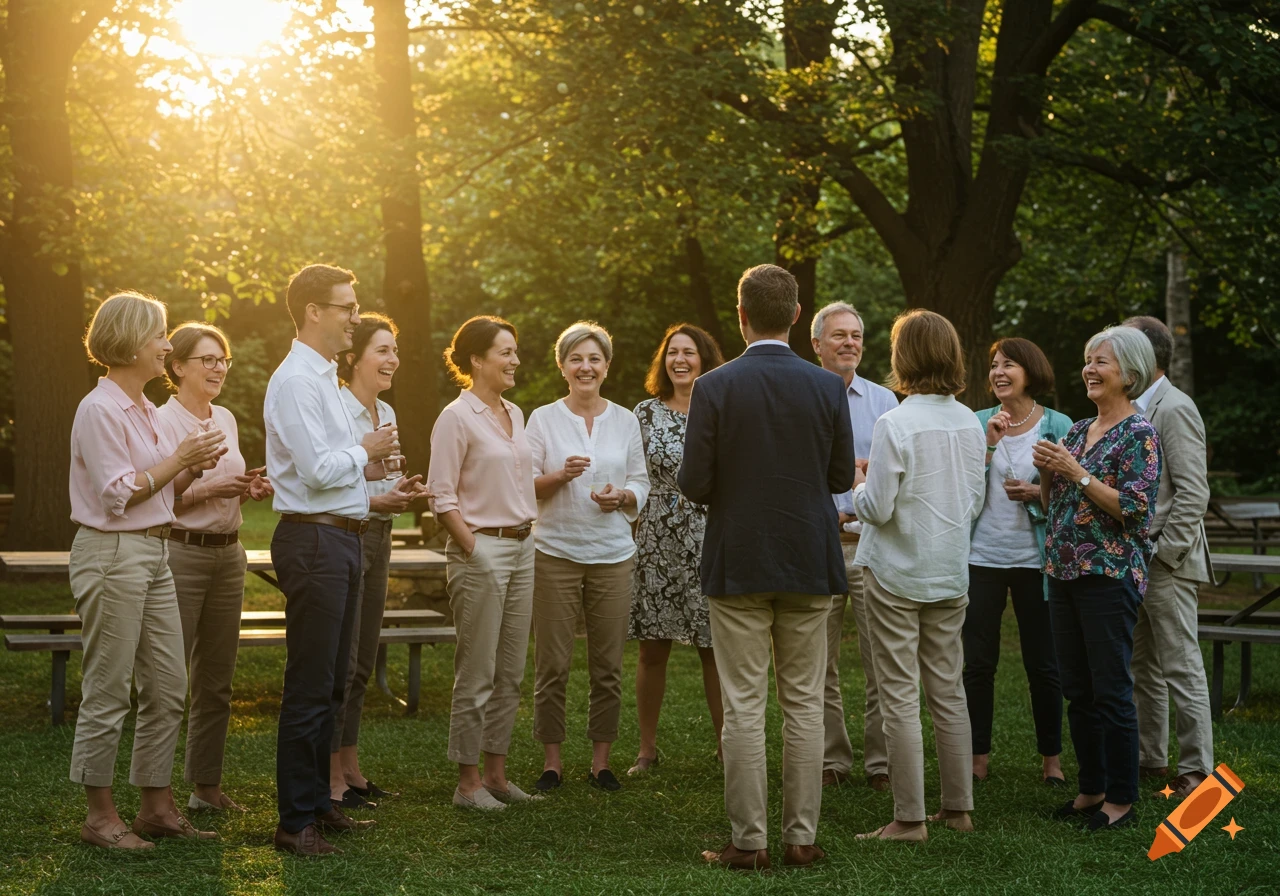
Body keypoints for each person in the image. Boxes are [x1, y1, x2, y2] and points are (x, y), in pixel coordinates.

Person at [680, 264, 855, 872]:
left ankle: (748, 842)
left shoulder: (715, 387)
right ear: (798, 315)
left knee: (744, 702)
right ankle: (801, 839)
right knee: (804, 703)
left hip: (740, 558)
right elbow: (838, 478)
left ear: (741, 315)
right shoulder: (829, 387)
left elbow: (694, 481)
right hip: (809, 555)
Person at [69, 291, 226, 849]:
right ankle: (99, 817)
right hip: (113, 554)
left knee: (167, 686)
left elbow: (161, 489)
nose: (167, 344)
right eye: (159, 335)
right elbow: (117, 495)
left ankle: (157, 809)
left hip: (154, 551)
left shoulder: (144, 409)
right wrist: (179, 460)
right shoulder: (101, 409)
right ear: (131, 341)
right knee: (109, 689)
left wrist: (193, 466)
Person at [264, 264, 400, 855]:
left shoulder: (322, 379)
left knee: (332, 683)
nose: (354, 315)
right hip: (314, 540)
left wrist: (369, 469)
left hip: (343, 535)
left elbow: (330, 465)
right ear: (313, 312)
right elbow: (318, 470)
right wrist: (362, 450)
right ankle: (295, 823)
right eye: (345, 307)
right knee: (310, 684)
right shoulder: (296, 381)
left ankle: (321, 802)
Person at [852, 309, 986, 843]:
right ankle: (958, 810)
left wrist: (861, 485)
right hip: (950, 571)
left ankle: (908, 819)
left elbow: (878, 508)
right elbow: (973, 501)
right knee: (948, 690)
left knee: (900, 694)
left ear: (902, 357)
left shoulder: (896, 422)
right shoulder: (970, 423)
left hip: (895, 573)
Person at [1034, 325, 1162, 832]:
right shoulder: (1076, 429)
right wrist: (1049, 473)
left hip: (1109, 575)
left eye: (1101, 362)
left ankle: (1122, 800)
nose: (1089, 368)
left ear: (1128, 373)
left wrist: (1077, 472)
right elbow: (1053, 508)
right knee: (1078, 689)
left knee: (1110, 689)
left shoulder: (1140, 434)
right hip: (1063, 571)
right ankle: (1091, 789)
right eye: (1088, 360)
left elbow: (1134, 511)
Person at [527, 321, 650, 793]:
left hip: (613, 554)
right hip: (555, 551)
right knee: (552, 663)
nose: (586, 366)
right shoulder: (542, 419)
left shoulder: (625, 420)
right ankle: (552, 761)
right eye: (576, 358)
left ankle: (601, 761)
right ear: (562, 366)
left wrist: (622, 496)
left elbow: (642, 480)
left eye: (594, 358)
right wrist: (559, 475)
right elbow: (526, 484)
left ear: (606, 366)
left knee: (608, 663)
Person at [156, 322, 272, 815]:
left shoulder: (224, 416)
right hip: (181, 551)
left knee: (217, 679)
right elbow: (153, 498)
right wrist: (205, 490)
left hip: (229, 552)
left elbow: (229, 480)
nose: (219, 367)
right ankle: (156, 797)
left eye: (223, 359)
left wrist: (248, 487)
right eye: (208, 359)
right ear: (177, 366)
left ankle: (205, 789)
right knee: (169, 679)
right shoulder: (159, 422)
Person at [427, 315, 540, 811]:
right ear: (477, 359)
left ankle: (496, 774)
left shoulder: (516, 413)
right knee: (478, 669)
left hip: (523, 547)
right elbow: (441, 495)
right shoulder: (456, 416)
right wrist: (474, 549)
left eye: (515, 352)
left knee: (511, 669)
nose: (515, 360)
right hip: (482, 550)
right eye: (505, 352)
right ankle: (467, 782)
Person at [329, 313, 429, 810]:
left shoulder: (385, 411)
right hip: (348, 535)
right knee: (341, 660)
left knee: (364, 658)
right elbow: (327, 485)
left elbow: (377, 478)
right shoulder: (336, 409)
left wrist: (401, 490)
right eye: (382, 350)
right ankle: (330, 777)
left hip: (380, 535)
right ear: (354, 358)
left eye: (395, 350)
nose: (392, 359)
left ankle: (351, 767)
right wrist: (376, 501)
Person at [967, 337, 1071, 786]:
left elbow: (1072, 497)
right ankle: (976, 758)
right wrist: (988, 447)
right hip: (982, 557)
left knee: (1044, 665)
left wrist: (1037, 494)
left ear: (1030, 370)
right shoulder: (976, 422)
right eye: (993, 366)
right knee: (977, 664)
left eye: (1008, 364)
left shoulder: (1059, 424)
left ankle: (1052, 760)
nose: (998, 372)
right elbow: (963, 486)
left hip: (1035, 560)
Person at [627, 324, 726, 776]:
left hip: (711, 535)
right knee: (652, 649)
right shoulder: (643, 414)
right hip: (657, 541)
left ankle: (727, 747)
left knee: (714, 647)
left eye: (689, 352)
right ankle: (647, 749)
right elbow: (632, 473)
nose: (680, 360)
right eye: (672, 352)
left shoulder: (722, 407)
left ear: (705, 359)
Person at [809, 301, 898, 791]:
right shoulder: (802, 394)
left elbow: (895, 477)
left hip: (869, 547)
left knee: (880, 658)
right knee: (817, 662)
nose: (850, 343)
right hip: (818, 546)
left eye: (857, 335)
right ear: (817, 344)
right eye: (839, 335)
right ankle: (831, 760)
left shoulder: (885, 401)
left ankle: (881, 763)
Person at [1123, 316, 1214, 797]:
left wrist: (1167, 555)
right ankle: (1150, 759)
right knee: (1143, 667)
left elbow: (1193, 491)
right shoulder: (1134, 408)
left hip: (1166, 562)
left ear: (1145, 356)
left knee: (1180, 666)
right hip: (1134, 561)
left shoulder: (1174, 408)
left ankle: (1198, 772)